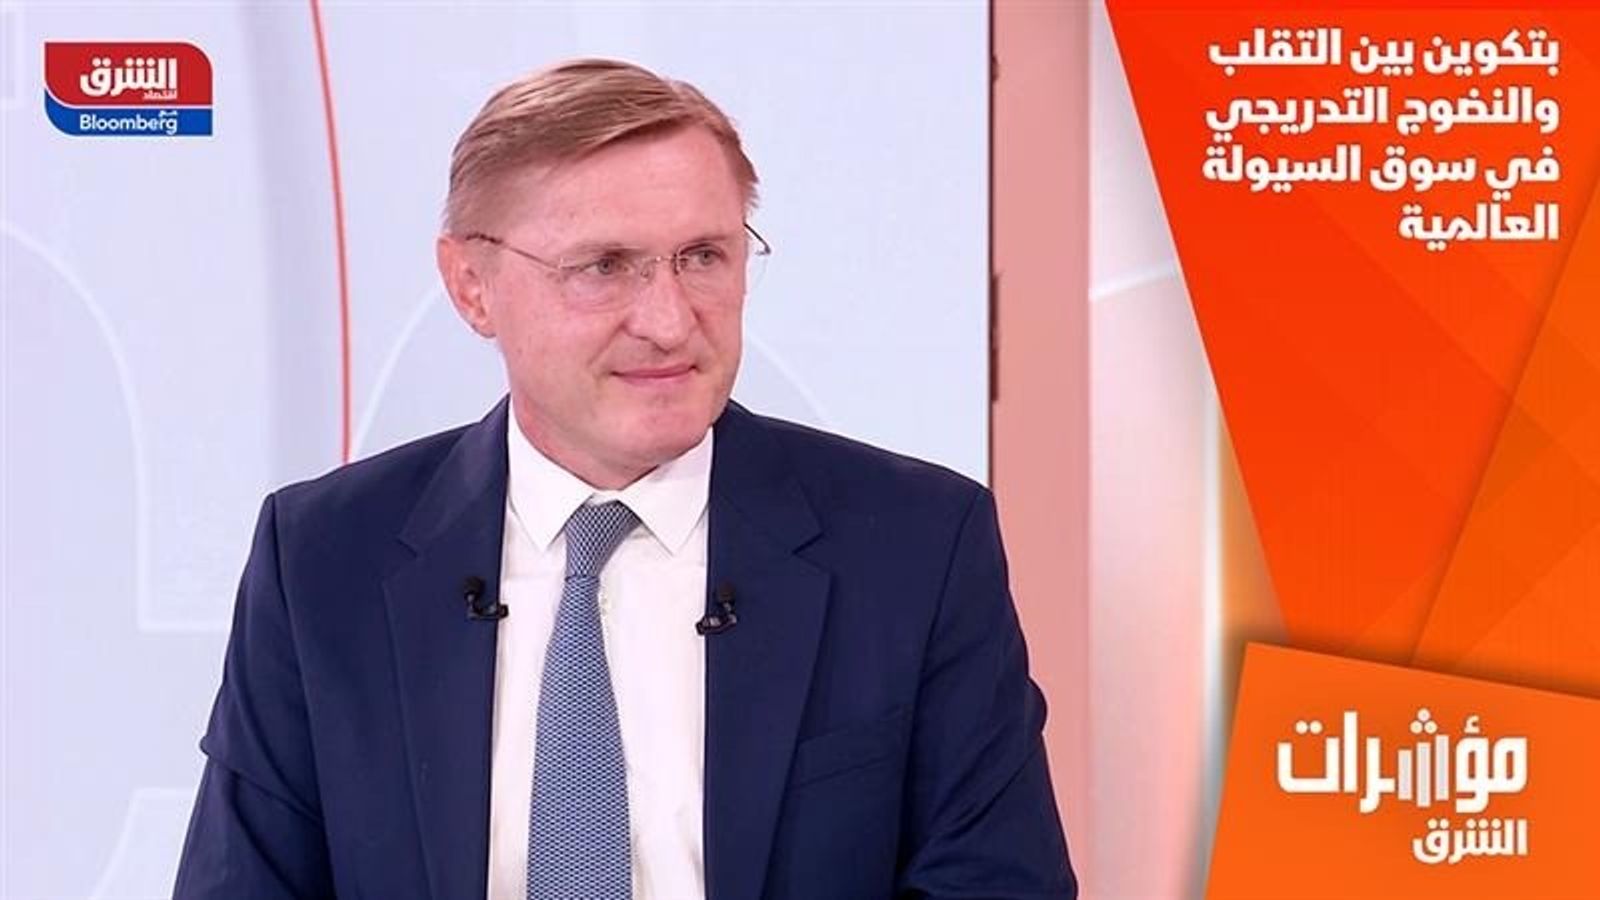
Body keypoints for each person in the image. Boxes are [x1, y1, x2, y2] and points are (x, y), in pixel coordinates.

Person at [174, 58, 1075, 900]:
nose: (669, 321)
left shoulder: (917, 545)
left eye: (703, 257)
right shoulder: (324, 557)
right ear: (471, 285)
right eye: (604, 267)